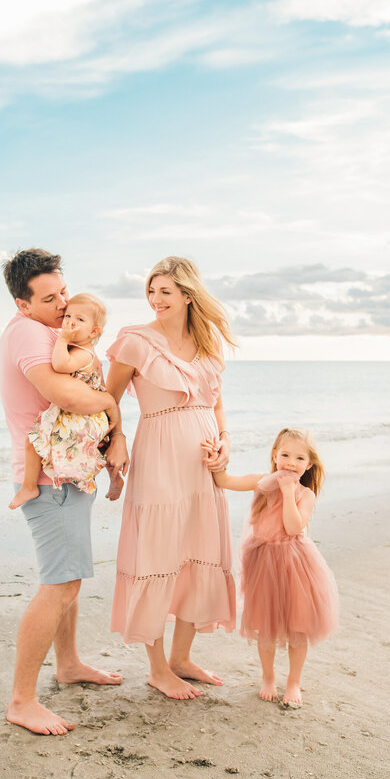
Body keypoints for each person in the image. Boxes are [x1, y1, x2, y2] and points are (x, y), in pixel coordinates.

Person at [0, 249, 122, 736]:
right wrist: (110, 401)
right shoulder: (28, 330)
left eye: (63, 293)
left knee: (68, 575)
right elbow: (67, 395)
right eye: (49, 298)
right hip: (49, 476)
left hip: (69, 469)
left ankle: (67, 664)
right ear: (21, 303)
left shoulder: (55, 328)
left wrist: (116, 428)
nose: (61, 303)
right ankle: (21, 700)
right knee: (61, 584)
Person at [103, 256, 237, 700]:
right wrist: (118, 437)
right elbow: (108, 399)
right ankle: (158, 669)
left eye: (165, 291)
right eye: (151, 290)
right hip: (159, 456)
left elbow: (215, 403)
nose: (156, 299)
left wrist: (224, 443)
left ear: (187, 294)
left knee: (197, 552)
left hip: (202, 464)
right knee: (158, 557)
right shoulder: (136, 342)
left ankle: (181, 659)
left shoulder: (207, 341)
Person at [207, 427, 339, 708]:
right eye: (286, 455)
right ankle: (268, 677)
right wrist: (217, 456)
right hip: (263, 563)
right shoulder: (261, 482)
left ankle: (293, 681)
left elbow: (293, 526)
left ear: (309, 464)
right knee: (264, 625)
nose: (291, 463)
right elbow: (224, 480)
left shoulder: (305, 494)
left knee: (298, 627)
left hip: (295, 564)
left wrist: (289, 492)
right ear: (274, 455)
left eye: (300, 458)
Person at [8, 293, 110, 510]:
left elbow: (60, 366)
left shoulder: (84, 353)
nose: (70, 322)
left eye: (80, 320)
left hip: (81, 412)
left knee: (47, 444)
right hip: (80, 409)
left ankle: (30, 486)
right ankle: (29, 486)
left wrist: (62, 339)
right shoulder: (78, 348)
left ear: (93, 331)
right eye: (68, 316)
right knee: (35, 442)